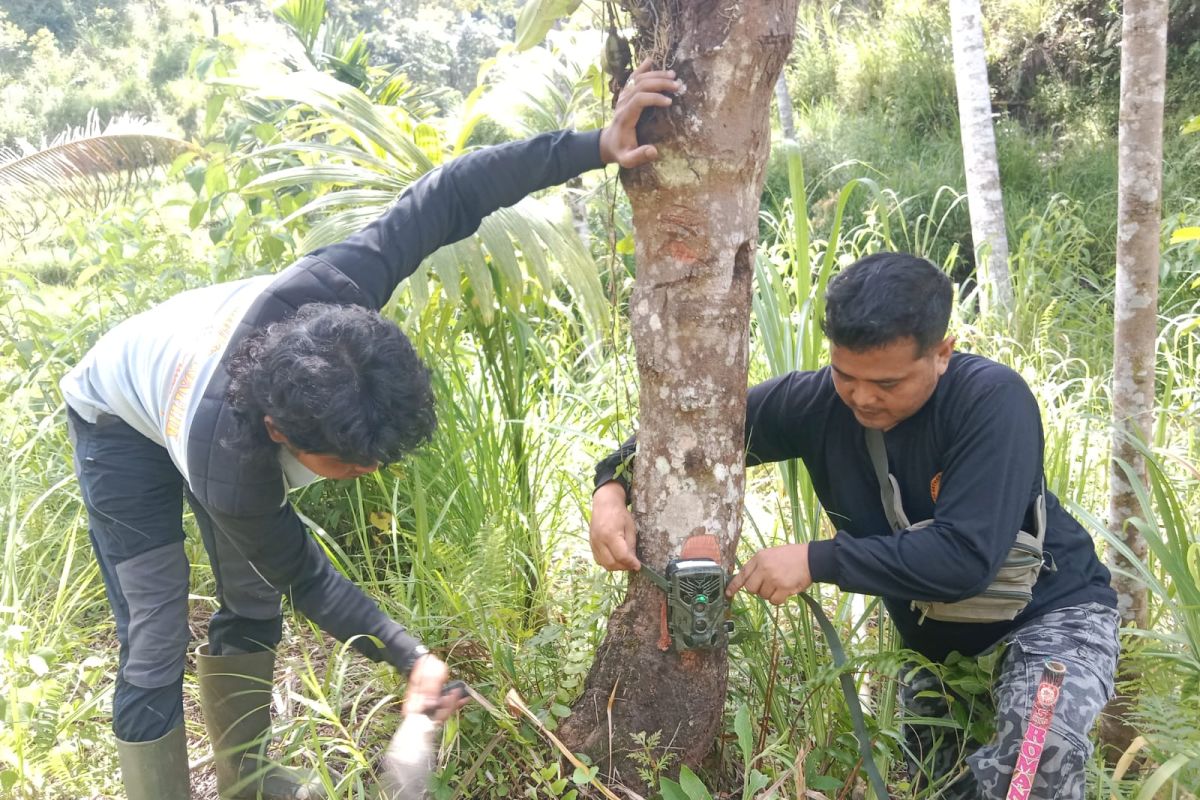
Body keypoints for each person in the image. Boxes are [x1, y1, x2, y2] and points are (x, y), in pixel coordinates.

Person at [61, 62, 682, 800]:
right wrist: (409, 655)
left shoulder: (339, 291)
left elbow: (450, 193)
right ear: (278, 430)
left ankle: (246, 782)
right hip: (118, 419)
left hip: (196, 371)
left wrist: (594, 146)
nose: (370, 474)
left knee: (251, 602)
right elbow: (304, 576)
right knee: (156, 629)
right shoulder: (233, 462)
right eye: (351, 465)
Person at [588, 252, 1120, 799]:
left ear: (941, 353)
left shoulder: (991, 401)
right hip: (934, 652)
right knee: (934, 788)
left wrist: (816, 559)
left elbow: (965, 558)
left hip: (1052, 621)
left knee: (1037, 762)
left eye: (887, 382)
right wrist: (611, 489)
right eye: (846, 375)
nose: (863, 397)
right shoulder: (816, 403)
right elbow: (692, 439)